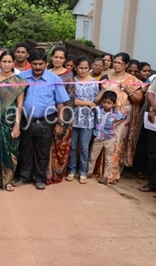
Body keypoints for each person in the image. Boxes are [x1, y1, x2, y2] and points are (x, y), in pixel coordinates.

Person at [13, 50, 70, 190]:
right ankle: (23, 177)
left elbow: (60, 103)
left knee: (43, 151)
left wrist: (59, 123)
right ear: (30, 63)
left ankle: (39, 179)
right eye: (35, 64)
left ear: (46, 63)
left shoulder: (54, 79)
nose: (38, 67)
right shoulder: (22, 77)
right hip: (27, 119)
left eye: (41, 64)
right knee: (25, 149)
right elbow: (15, 99)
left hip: (47, 120)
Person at [94, 52, 143, 183]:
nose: (116, 65)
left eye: (119, 63)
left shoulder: (132, 80)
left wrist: (129, 90)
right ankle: (99, 171)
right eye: (114, 62)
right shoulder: (106, 76)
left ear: (126, 64)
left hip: (122, 117)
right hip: (105, 115)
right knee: (101, 140)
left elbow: (139, 100)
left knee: (116, 143)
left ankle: (111, 174)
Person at [0, 50, 28, 191]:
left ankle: (7, 180)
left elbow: (20, 104)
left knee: (10, 151)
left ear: (13, 63)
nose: (6, 64)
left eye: (9, 62)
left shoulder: (19, 81)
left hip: (10, 120)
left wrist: (17, 125)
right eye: (4, 61)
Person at [67, 56, 100, 184]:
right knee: (73, 146)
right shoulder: (71, 81)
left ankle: (82, 171)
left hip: (88, 120)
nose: (83, 70)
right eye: (80, 67)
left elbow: (96, 101)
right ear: (76, 67)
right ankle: (71, 170)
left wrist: (90, 103)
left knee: (85, 147)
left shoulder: (93, 82)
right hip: (73, 119)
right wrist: (87, 103)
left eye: (86, 68)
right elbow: (71, 101)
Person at [46, 47, 75, 184]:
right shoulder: (46, 73)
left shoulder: (69, 76)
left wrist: (62, 121)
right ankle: (46, 173)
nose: (58, 60)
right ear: (51, 57)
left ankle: (57, 173)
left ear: (65, 60)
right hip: (46, 115)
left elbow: (69, 100)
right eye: (55, 57)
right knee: (46, 145)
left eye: (61, 58)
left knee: (59, 146)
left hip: (62, 117)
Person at [87, 91, 126, 184]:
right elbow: (91, 108)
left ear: (113, 104)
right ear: (101, 102)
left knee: (108, 158)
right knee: (92, 156)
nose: (106, 105)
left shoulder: (115, 113)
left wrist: (115, 124)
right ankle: (89, 172)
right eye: (104, 102)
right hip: (98, 138)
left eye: (109, 103)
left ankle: (105, 176)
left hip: (109, 139)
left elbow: (124, 117)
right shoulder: (98, 110)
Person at [139, 80, 156, 192]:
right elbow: (150, 93)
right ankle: (153, 183)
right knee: (152, 153)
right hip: (153, 120)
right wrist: (155, 108)